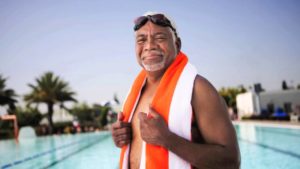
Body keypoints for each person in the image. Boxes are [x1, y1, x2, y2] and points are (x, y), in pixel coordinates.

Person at [111, 11, 240, 169]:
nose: (149, 46)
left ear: (177, 45)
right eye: (141, 40)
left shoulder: (198, 89)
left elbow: (231, 162)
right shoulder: (135, 92)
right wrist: (122, 137)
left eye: (160, 38)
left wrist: (168, 139)